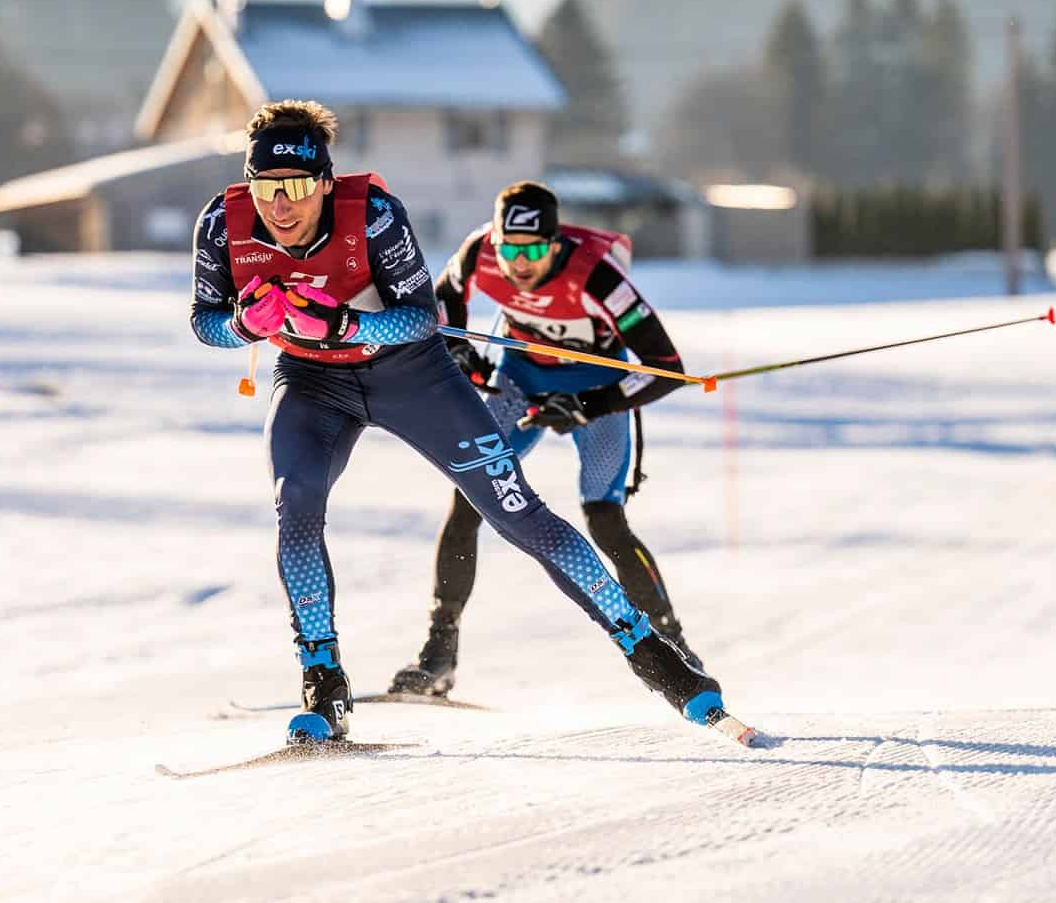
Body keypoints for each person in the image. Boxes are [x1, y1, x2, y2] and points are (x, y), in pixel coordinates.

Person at [189, 101, 727, 742]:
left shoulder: (376, 217)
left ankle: (653, 654)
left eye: (299, 187)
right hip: (313, 383)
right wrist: (249, 323)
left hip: (412, 377)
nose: (281, 206)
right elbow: (205, 320)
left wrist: (341, 324)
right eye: (267, 187)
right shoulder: (224, 224)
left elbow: (420, 318)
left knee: (516, 512)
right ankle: (322, 680)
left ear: (326, 183)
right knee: (295, 504)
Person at [390, 181, 700, 698]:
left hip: (597, 390)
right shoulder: (478, 251)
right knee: (471, 500)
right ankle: (438, 654)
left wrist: (589, 405)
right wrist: (462, 356)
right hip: (522, 381)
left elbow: (666, 370)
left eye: (534, 250)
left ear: (555, 245)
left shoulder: (599, 278)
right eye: (511, 248)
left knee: (605, 521)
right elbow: (441, 321)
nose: (520, 261)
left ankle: (676, 647)